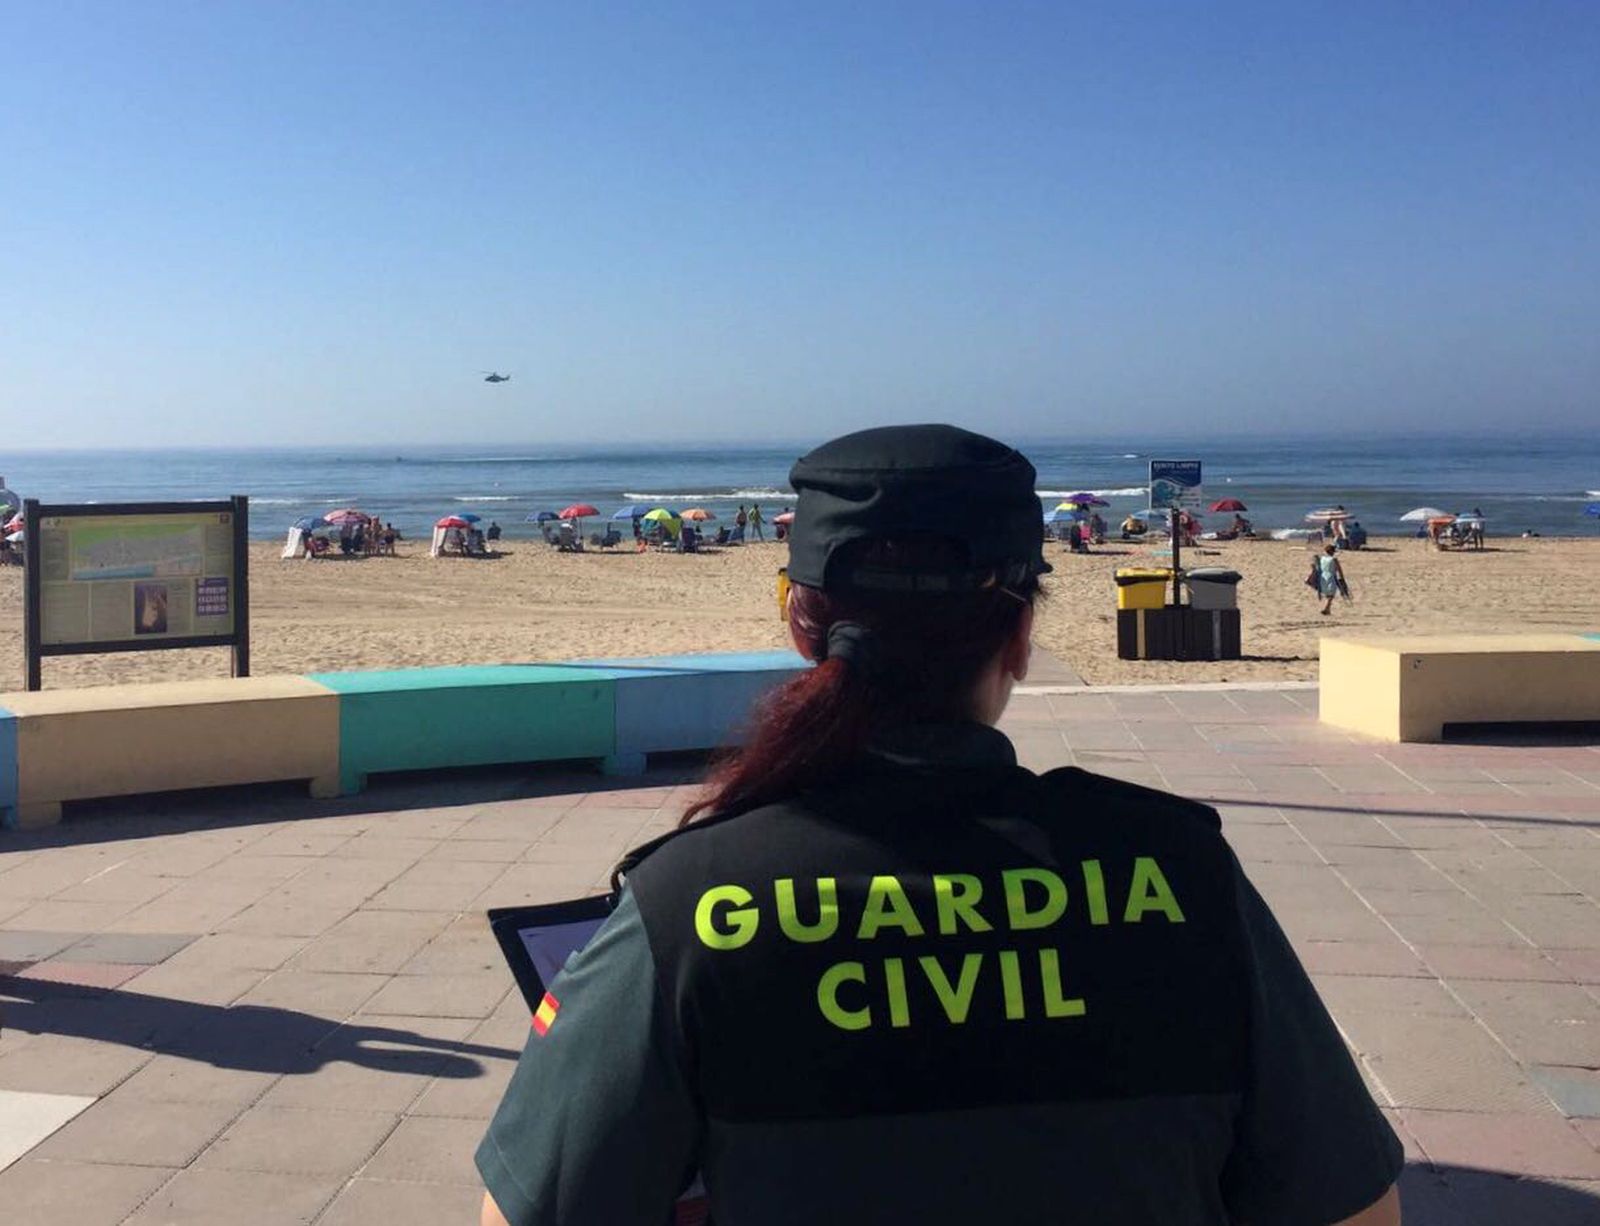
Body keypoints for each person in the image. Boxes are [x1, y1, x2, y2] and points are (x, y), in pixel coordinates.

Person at [476, 424, 1402, 1226]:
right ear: (1019, 639)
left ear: (803, 627)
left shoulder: (693, 905)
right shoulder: (1182, 875)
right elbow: (1353, 1206)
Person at [1313, 542, 1345, 616]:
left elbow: (1318, 568)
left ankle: (1328, 609)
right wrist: (1342, 578)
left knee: (1328, 594)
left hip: (1323, 577)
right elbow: (1339, 570)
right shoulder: (1333, 559)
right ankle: (1326, 608)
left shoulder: (1322, 559)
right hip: (1331, 577)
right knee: (1331, 594)